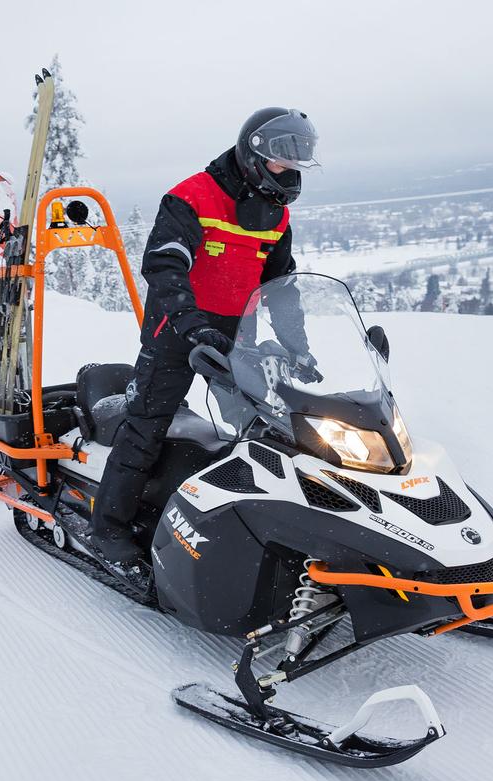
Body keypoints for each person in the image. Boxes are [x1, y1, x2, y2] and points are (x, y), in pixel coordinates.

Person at [90, 107, 323, 564]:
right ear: (255, 152)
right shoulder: (192, 197)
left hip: (238, 340)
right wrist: (190, 324)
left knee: (262, 434)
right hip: (177, 335)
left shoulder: (275, 216)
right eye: (284, 160)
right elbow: (164, 264)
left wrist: (299, 348)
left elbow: (283, 287)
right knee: (146, 427)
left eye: (297, 162)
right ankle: (109, 530)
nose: (290, 170)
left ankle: (256, 530)